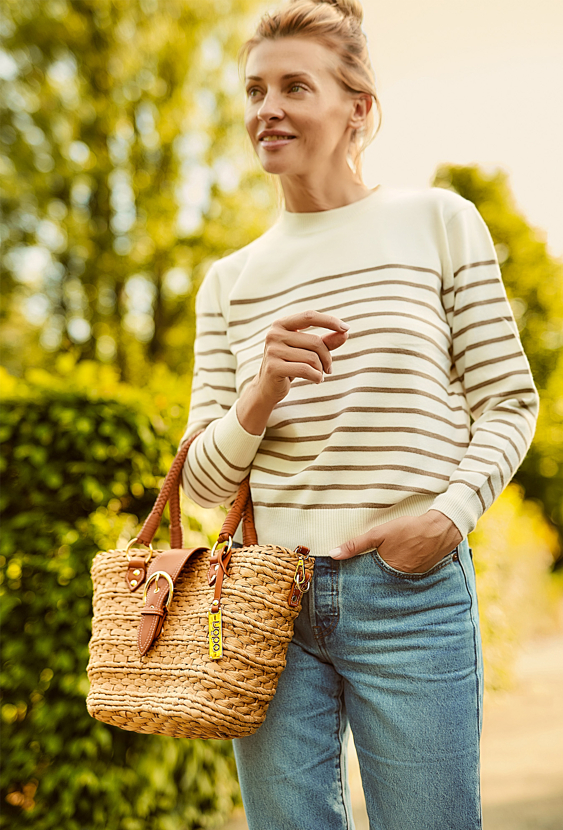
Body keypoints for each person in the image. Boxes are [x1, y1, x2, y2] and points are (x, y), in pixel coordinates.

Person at [179, 1, 539, 827]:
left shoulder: (438, 222)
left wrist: (446, 519)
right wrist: (259, 394)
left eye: (293, 87)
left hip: (407, 594)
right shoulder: (228, 282)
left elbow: (507, 402)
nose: (264, 110)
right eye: (253, 90)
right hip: (267, 600)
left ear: (358, 109)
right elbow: (201, 481)